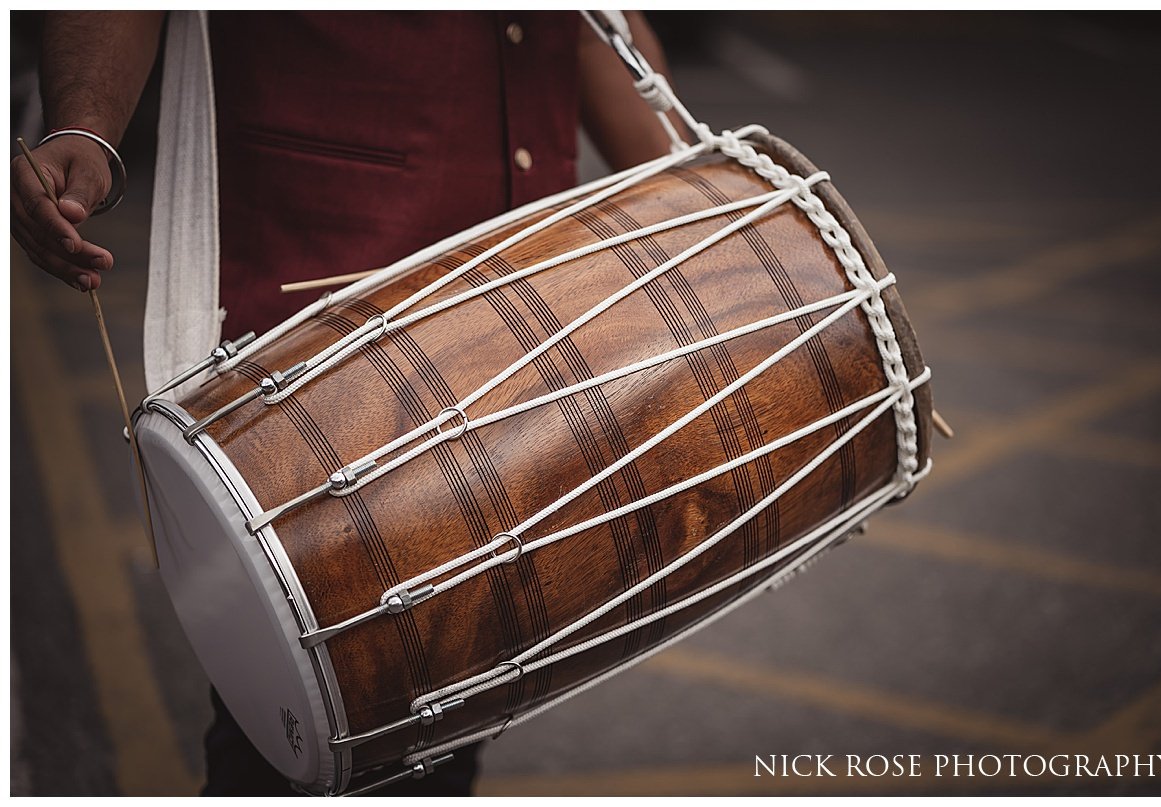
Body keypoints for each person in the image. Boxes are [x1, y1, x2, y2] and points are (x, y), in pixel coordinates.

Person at [10, 10, 680, 797]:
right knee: (309, 720)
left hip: (520, 306)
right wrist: (88, 129)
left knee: (450, 701)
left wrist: (702, 182)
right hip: (324, 310)